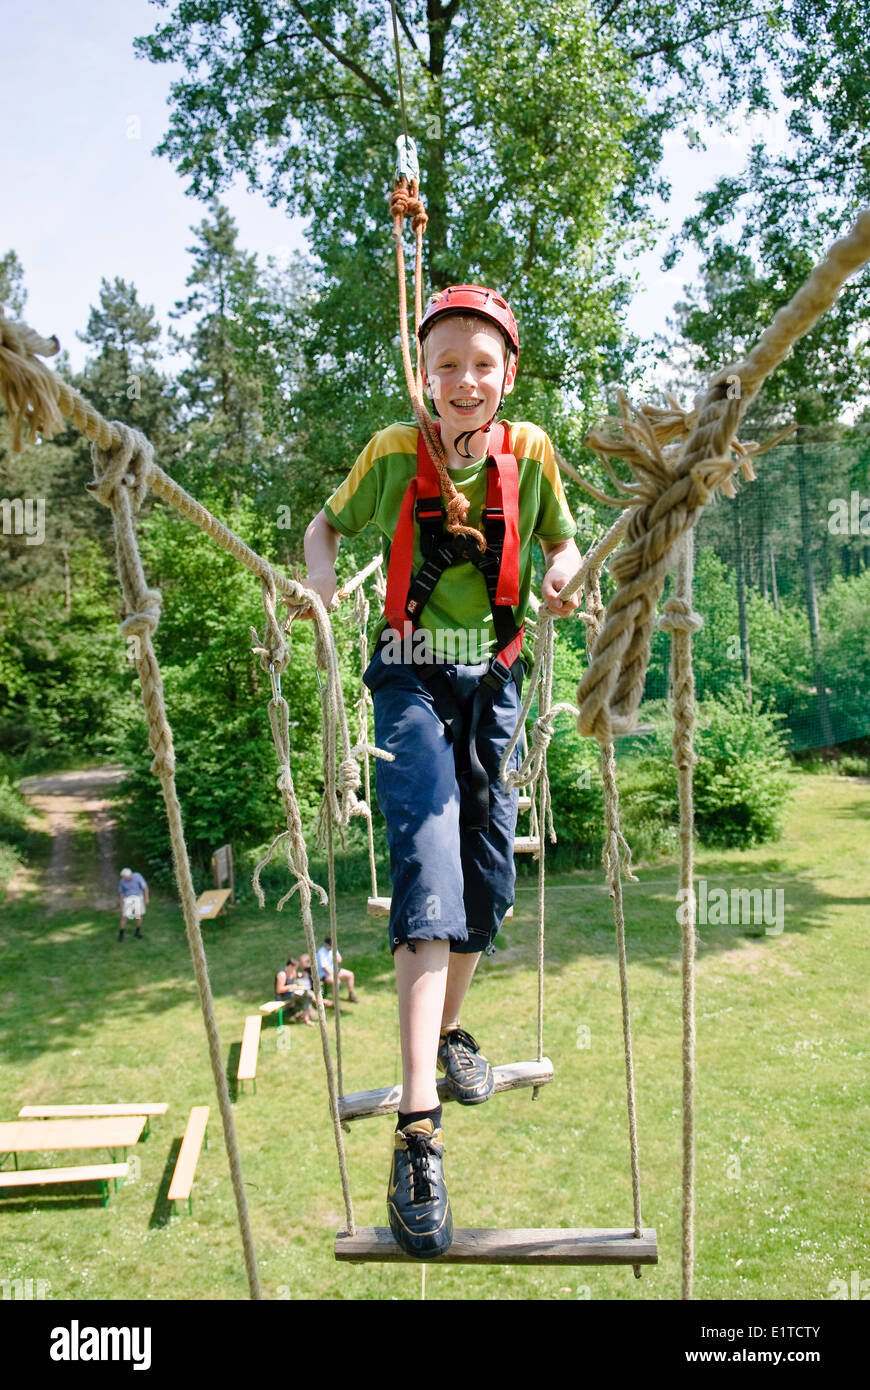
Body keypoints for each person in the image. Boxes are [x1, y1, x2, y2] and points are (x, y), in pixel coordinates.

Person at [302, 285, 581, 1259]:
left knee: (489, 882)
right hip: (413, 676)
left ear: (508, 375)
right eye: (447, 364)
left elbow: (561, 541)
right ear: (426, 376)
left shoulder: (533, 455)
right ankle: (418, 1127)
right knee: (430, 862)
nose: (465, 380)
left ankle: (452, 1028)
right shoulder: (391, 454)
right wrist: (323, 578)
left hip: (495, 677)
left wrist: (565, 572)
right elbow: (324, 526)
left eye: (483, 364)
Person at [275, 957, 316, 1026]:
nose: (295, 970)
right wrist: (290, 987)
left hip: (292, 993)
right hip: (282, 996)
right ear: (290, 966)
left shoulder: (292, 972)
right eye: (294, 968)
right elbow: (279, 990)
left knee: (306, 996)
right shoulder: (282, 974)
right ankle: (313, 996)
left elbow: (295, 977)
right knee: (305, 994)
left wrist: (301, 975)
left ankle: (306, 1018)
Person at [316, 937, 357, 1002]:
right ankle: (336, 1001)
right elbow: (324, 967)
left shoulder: (333, 949)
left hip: (334, 970)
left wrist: (335, 956)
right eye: (329, 945)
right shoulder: (321, 952)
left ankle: (351, 995)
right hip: (324, 974)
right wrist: (333, 976)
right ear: (325, 944)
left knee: (350, 974)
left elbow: (340, 960)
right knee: (336, 982)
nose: (330, 947)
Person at [117, 867, 149, 941]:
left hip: (138, 897)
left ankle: (138, 932)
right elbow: (121, 893)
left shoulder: (138, 876)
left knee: (139, 915)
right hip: (128, 899)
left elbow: (145, 887)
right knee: (124, 917)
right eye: (124, 877)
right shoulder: (122, 881)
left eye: (127, 877)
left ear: (131, 874)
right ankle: (121, 934)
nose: (125, 878)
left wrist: (146, 898)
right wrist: (121, 903)